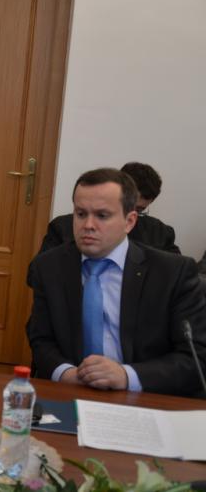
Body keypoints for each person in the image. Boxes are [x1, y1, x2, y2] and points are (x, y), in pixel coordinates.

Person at [26, 167, 206, 396]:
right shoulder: (48, 267)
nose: (88, 225)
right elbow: (40, 338)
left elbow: (195, 357)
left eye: (102, 215)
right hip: (71, 391)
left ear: (129, 221)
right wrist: (65, 373)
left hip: (144, 396)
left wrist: (127, 376)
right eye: (80, 214)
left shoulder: (172, 273)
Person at [37, 162, 179, 255]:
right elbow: (37, 274)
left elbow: (178, 278)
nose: (129, 215)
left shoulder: (160, 234)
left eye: (139, 210)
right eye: (126, 206)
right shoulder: (62, 228)